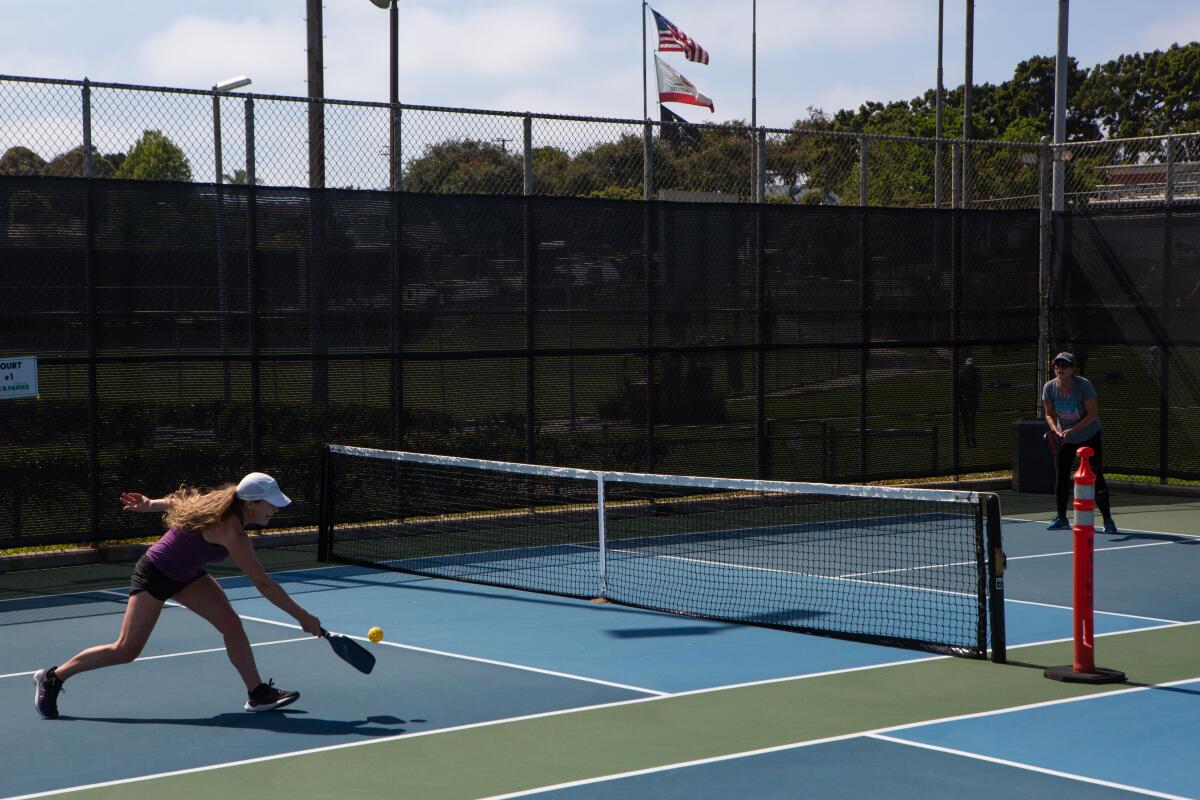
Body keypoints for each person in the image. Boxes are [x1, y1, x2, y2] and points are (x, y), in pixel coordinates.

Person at [33, 472, 323, 720]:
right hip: (156, 573)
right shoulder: (232, 532)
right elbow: (264, 585)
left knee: (231, 624)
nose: (276, 509)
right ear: (251, 503)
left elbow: (180, 502)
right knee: (125, 650)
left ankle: (257, 694)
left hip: (188, 574)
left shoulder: (224, 506)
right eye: (271, 504)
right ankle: (54, 676)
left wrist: (149, 505)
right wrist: (303, 617)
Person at [1042, 352, 1118, 533]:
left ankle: (1108, 520)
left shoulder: (1084, 386)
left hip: (1089, 435)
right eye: (1057, 365)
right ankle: (1061, 517)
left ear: (1073, 369)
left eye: (1065, 365)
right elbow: (1049, 414)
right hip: (1065, 438)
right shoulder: (1049, 388)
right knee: (1061, 476)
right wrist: (1056, 430)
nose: (1060, 368)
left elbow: (1093, 414)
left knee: (1096, 476)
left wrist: (1074, 430)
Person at [958, 356, 982, 448]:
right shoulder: (962, 376)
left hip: (972, 401)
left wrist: (967, 392)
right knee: (965, 421)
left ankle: (972, 439)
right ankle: (968, 441)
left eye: (970, 366)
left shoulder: (976, 377)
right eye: (968, 366)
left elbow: (979, 390)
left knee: (971, 420)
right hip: (965, 401)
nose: (969, 368)